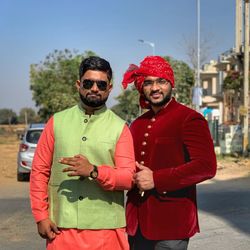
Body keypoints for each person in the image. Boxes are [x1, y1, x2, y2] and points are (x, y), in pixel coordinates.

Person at [30, 56, 135, 250]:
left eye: (101, 85)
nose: (94, 88)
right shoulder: (57, 122)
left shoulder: (120, 128)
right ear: (79, 84)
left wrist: (95, 171)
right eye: (88, 83)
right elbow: (39, 171)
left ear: (109, 88)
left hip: (107, 230)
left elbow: (128, 178)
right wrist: (41, 215)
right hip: (62, 229)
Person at [122, 56, 217, 250]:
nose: (155, 88)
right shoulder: (137, 124)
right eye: (148, 83)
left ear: (171, 84)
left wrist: (157, 179)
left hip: (172, 225)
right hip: (137, 224)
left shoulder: (189, 119)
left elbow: (206, 166)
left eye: (161, 81)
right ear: (141, 87)